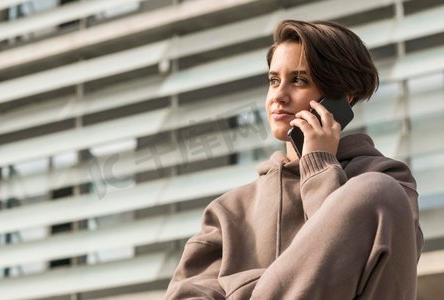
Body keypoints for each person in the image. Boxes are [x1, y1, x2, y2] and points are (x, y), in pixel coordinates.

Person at [164, 20, 423, 299]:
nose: (278, 95)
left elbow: (342, 267)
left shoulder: (389, 187)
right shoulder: (229, 211)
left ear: (342, 99)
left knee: (375, 192)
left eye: (299, 80)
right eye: (274, 80)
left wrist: (319, 166)